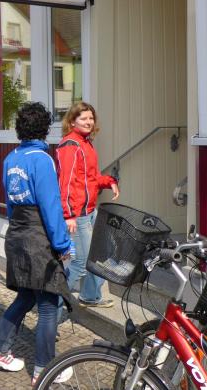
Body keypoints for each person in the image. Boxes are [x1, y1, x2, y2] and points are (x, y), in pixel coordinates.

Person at [0, 102, 74, 385]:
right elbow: (50, 206)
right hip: (38, 238)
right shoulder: (42, 159)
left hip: (17, 234)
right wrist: (63, 245)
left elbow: (10, 204)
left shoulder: (11, 158)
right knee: (48, 304)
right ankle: (45, 370)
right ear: (45, 128)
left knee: (25, 297)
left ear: (19, 128)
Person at [56, 101, 120, 309]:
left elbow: (91, 178)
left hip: (90, 210)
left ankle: (90, 296)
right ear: (72, 121)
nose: (88, 122)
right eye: (83, 118)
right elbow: (65, 183)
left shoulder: (86, 144)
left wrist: (109, 182)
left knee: (99, 255)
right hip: (78, 215)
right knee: (79, 263)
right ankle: (53, 307)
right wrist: (69, 215)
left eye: (91, 118)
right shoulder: (70, 145)